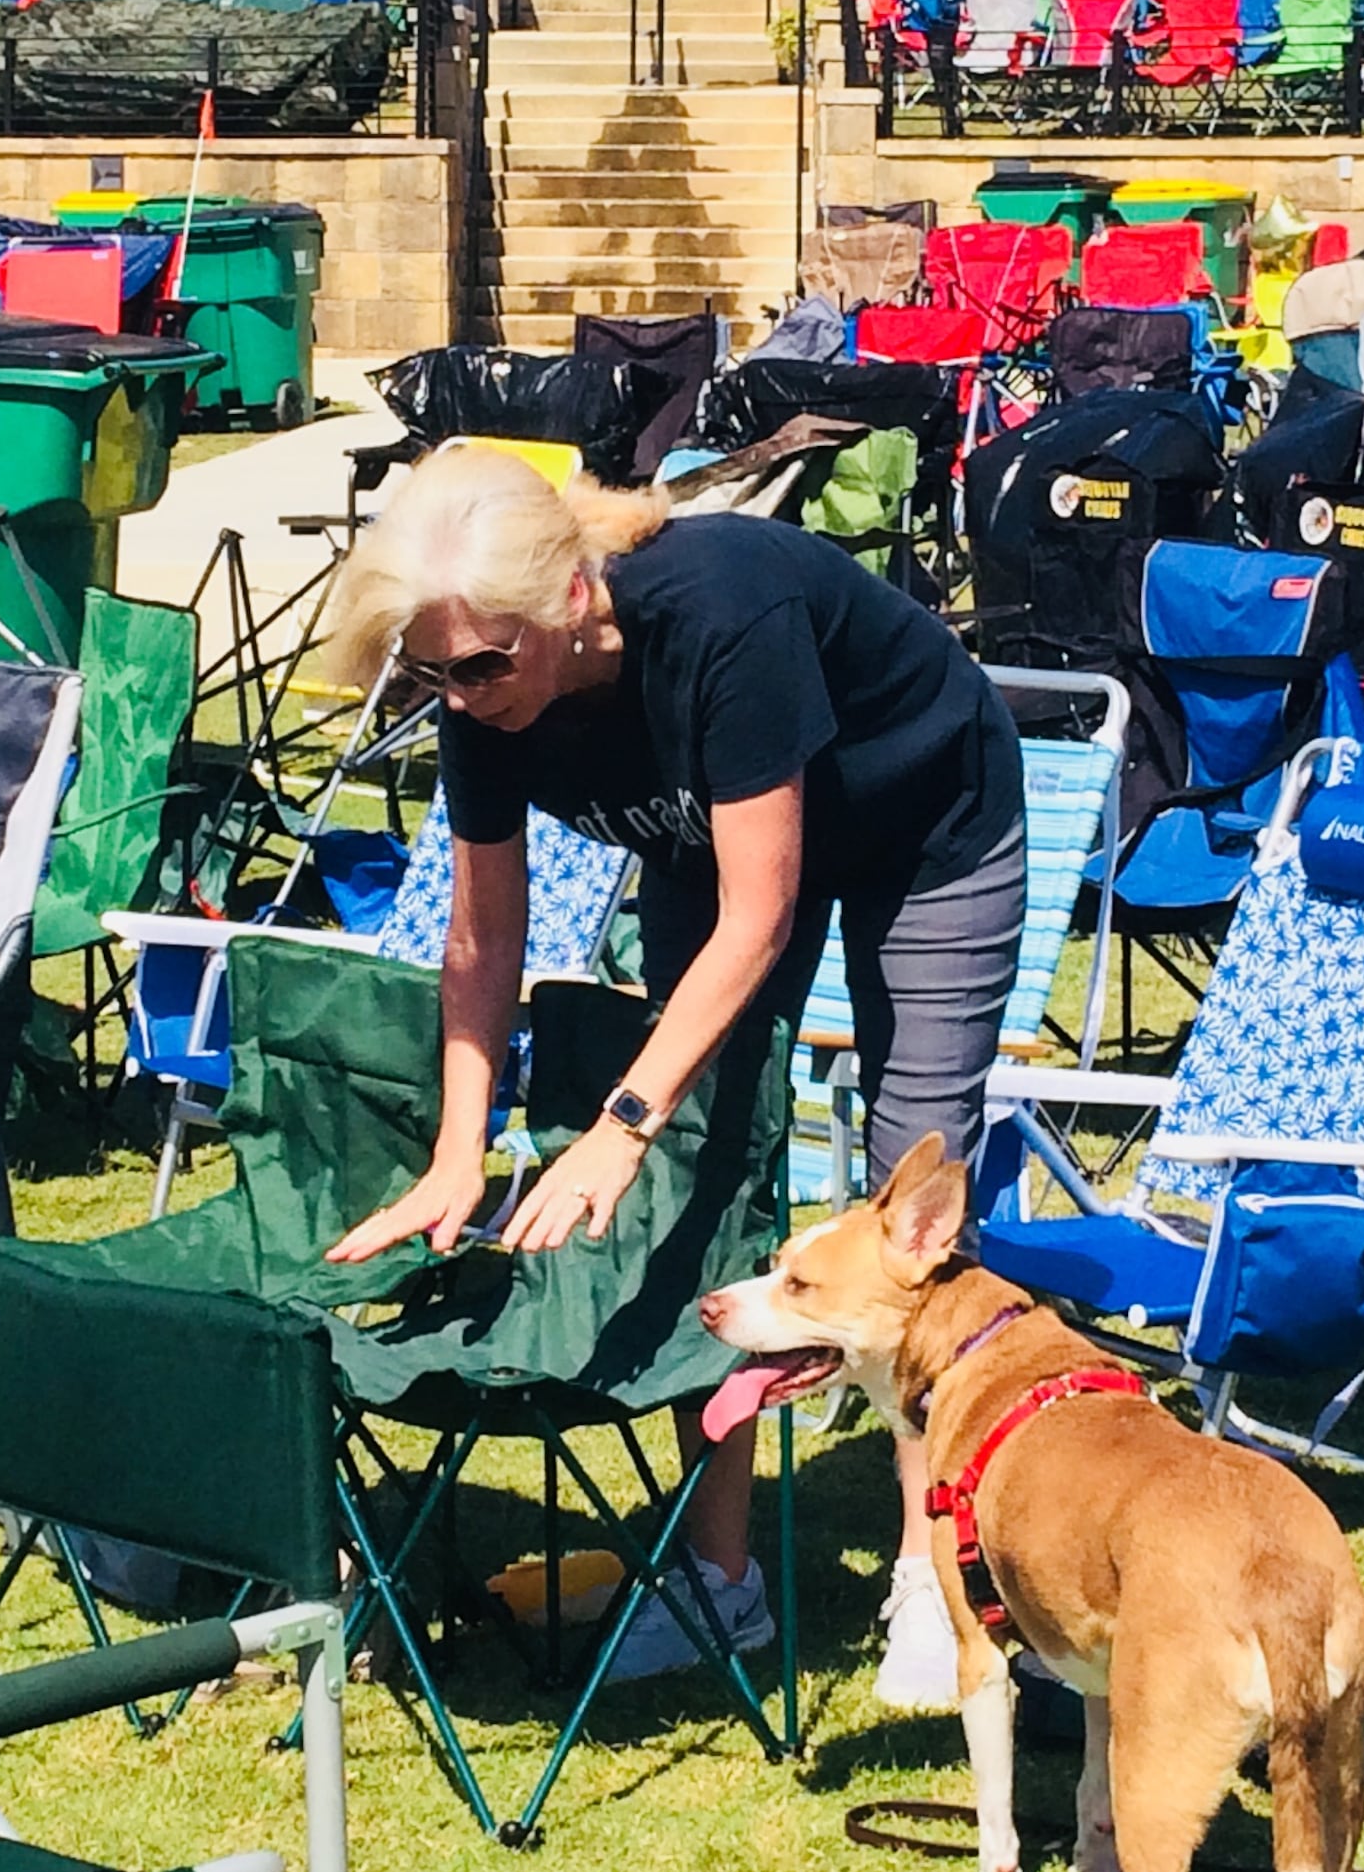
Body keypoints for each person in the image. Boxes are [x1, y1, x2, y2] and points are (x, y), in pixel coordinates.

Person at [319, 447, 1024, 1703]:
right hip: (721, 838)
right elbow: (484, 937)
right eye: (434, 672)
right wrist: (456, 1151)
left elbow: (762, 915)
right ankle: (722, 1582)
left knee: (910, 1185)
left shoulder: (721, 613)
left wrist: (621, 1121)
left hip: (928, 822)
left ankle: (934, 1572)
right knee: (719, 1158)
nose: (462, 695)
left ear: (577, 596)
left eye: (483, 664)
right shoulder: (483, 688)